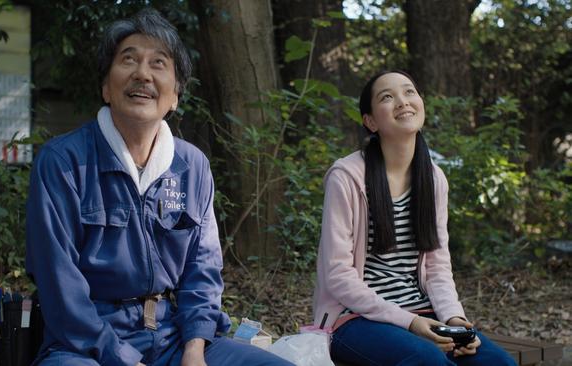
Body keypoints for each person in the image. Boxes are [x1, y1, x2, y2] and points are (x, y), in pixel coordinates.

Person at [25, 8, 293, 366]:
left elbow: (203, 268)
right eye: (129, 59)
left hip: (175, 338)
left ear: (176, 94)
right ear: (106, 87)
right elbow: (59, 286)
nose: (142, 74)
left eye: (158, 63)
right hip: (86, 345)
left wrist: (195, 348)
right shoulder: (63, 161)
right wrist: (119, 356)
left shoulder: (192, 166)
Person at [312, 70, 516, 365]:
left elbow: (437, 267)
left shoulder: (433, 178)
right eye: (387, 97)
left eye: (409, 92)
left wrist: (454, 318)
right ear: (370, 121)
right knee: (427, 361)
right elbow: (338, 275)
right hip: (353, 319)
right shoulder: (346, 177)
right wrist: (409, 322)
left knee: (498, 363)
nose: (402, 101)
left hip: (423, 312)